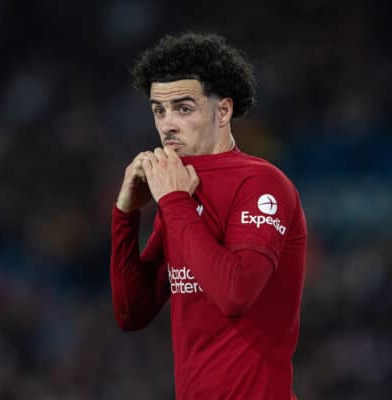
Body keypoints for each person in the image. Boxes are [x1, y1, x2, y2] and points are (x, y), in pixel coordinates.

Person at [110, 32, 307, 399]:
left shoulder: (261, 183)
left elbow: (236, 294)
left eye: (184, 108)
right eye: (159, 110)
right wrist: (125, 214)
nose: (168, 124)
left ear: (223, 110)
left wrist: (173, 202)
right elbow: (132, 313)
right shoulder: (181, 189)